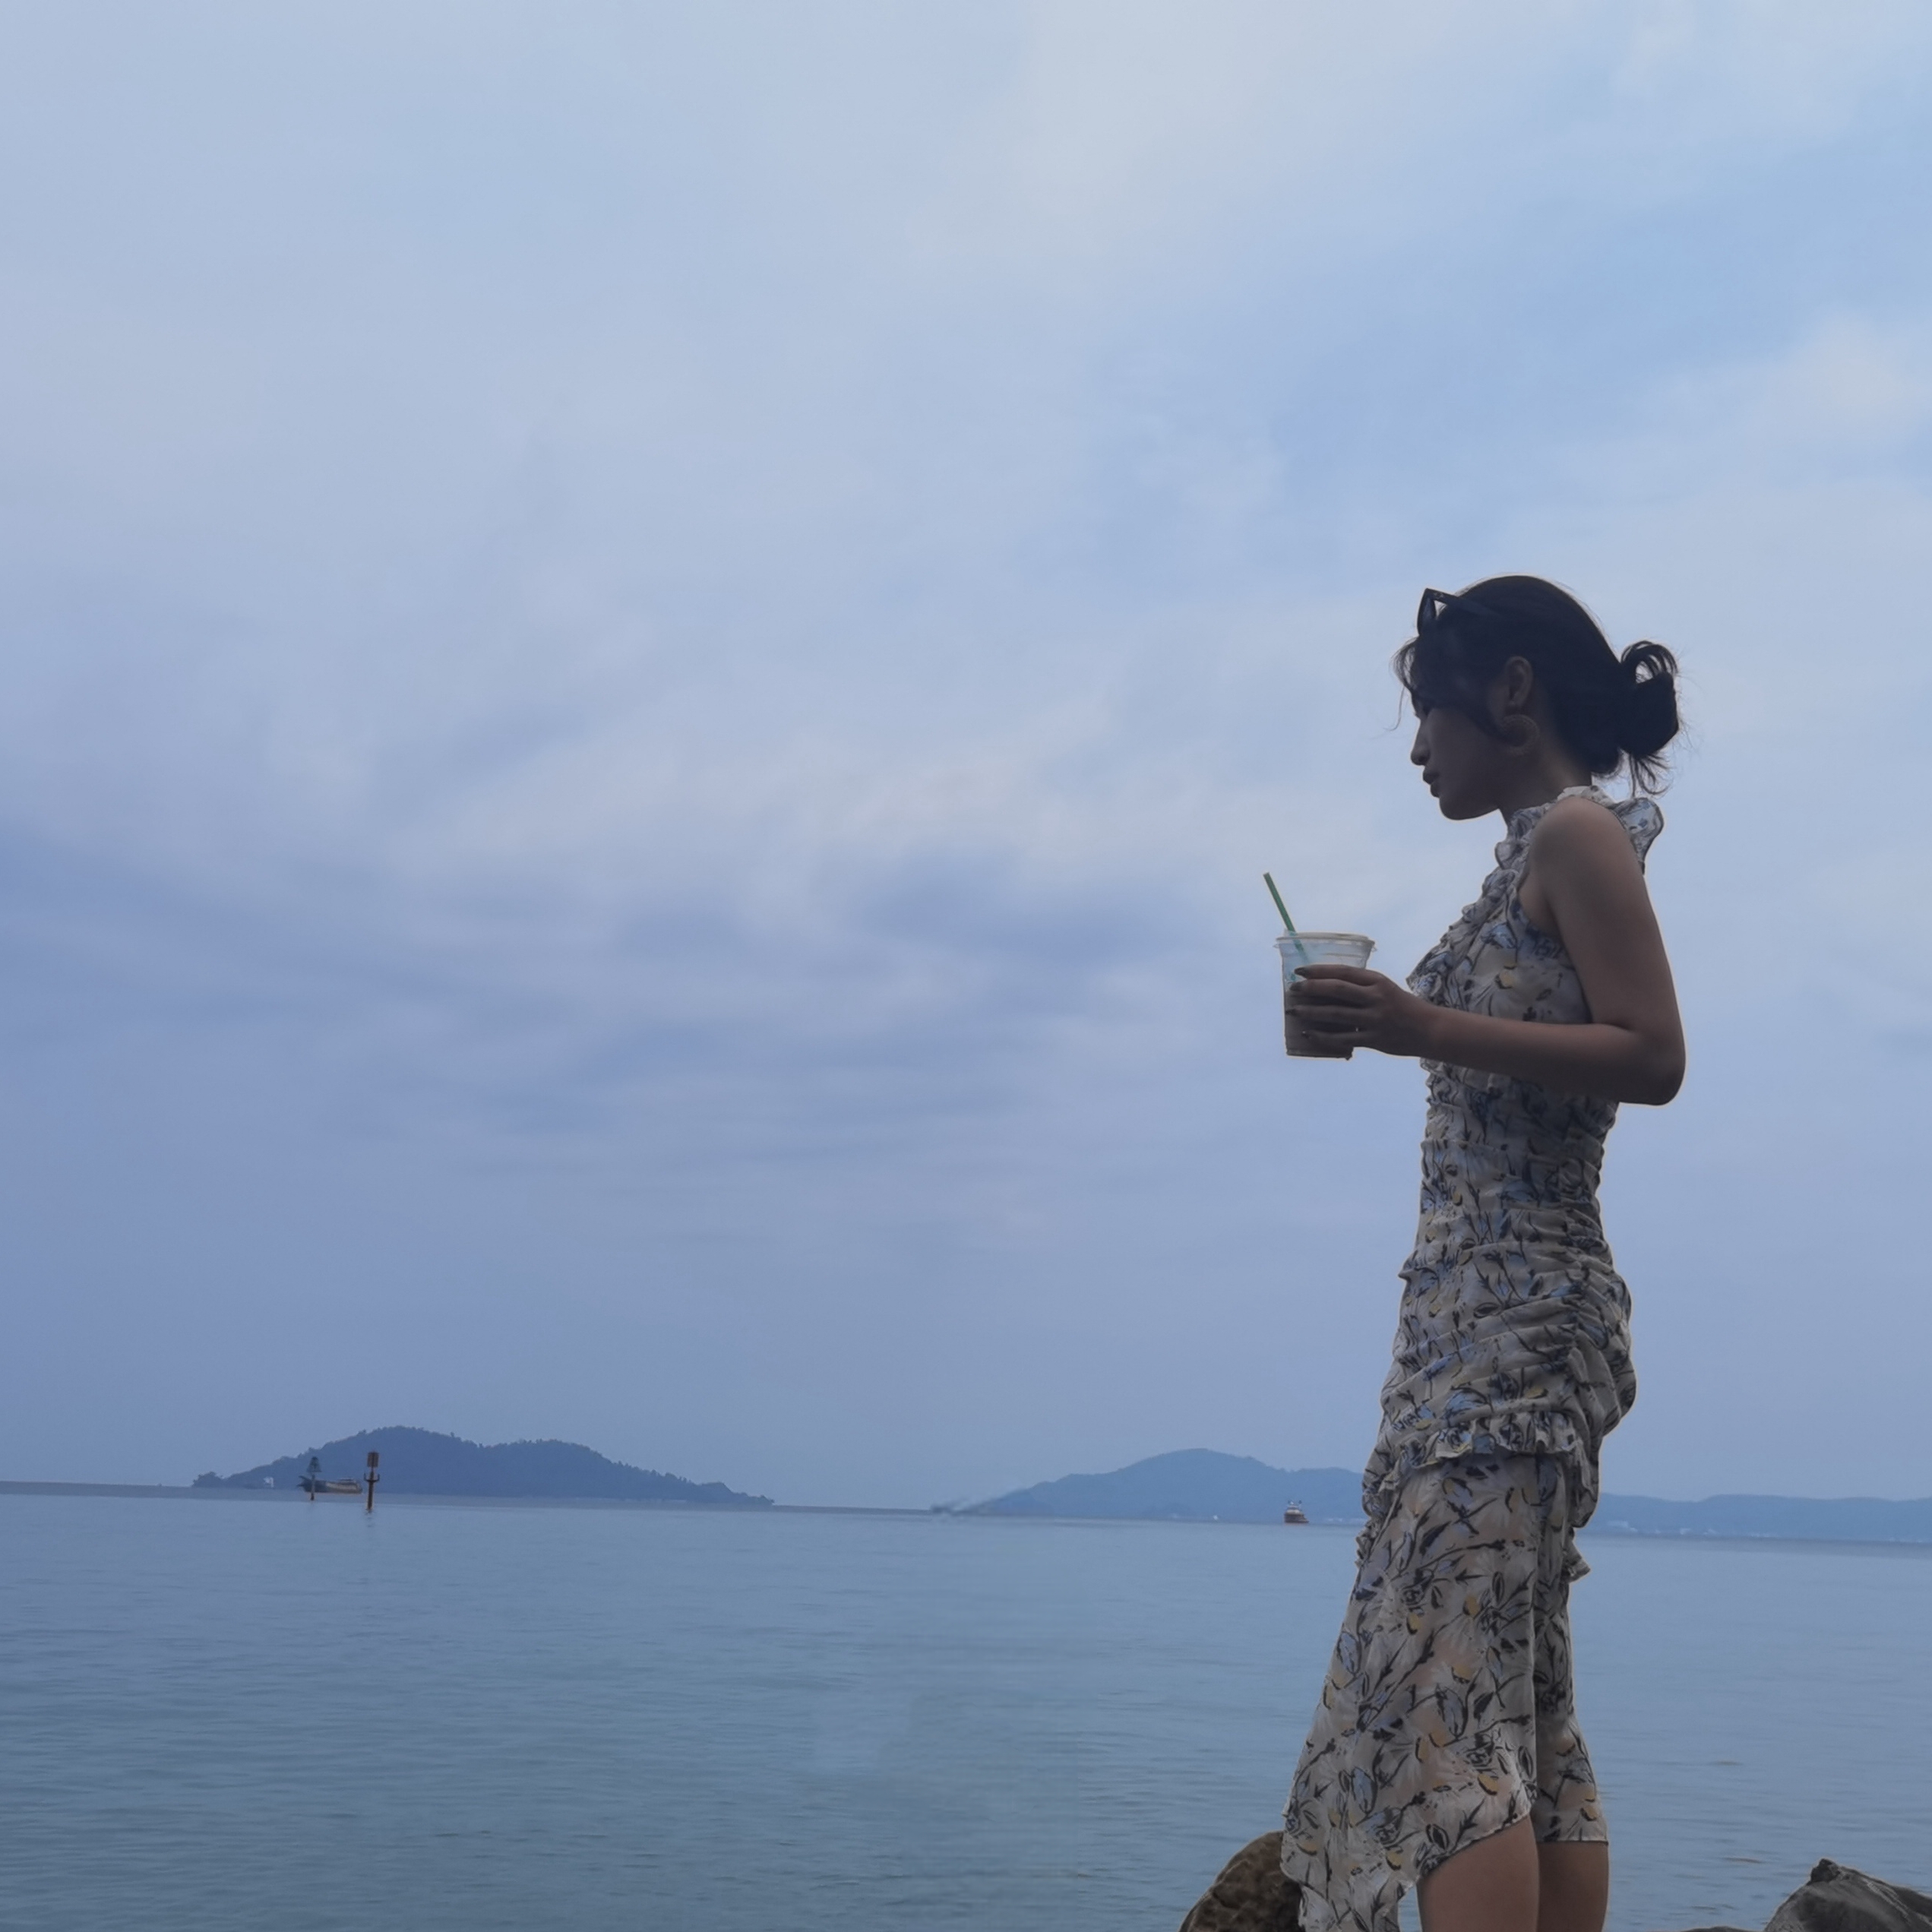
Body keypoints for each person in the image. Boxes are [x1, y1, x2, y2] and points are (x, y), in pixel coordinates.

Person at [1277, 577, 1686, 1932]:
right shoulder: (1531, 852)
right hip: (1480, 1318)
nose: (1415, 749)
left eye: (1427, 712)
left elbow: (1653, 1053)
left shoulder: (1575, 834)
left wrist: (1418, 1027)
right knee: (1516, 1694)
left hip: (1514, 1323)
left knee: (1445, 1705)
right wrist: (1398, 1025)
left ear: (1511, 692)